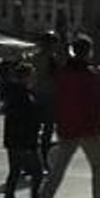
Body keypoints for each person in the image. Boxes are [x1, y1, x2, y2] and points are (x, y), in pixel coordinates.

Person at [34, 35, 100, 198]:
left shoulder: (62, 75)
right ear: (88, 52)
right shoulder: (92, 76)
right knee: (98, 169)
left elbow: (56, 99)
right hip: (89, 129)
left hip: (68, 127)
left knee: (58, 170)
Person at [2, 62, 42, 198]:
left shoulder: (12, 94)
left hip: (12, 139)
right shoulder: (24, 95)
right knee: (37, 172)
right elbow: (28, 118)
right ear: (27, 77)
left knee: (14, 172)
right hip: (24, 140)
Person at [34, 32, 60, 168]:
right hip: (49, 96)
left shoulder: (34, 58)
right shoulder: (51, 59)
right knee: (48, 128)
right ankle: (44, 157)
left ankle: (32, 158)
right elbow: (57, 78)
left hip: (35, 95)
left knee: (35, 128)